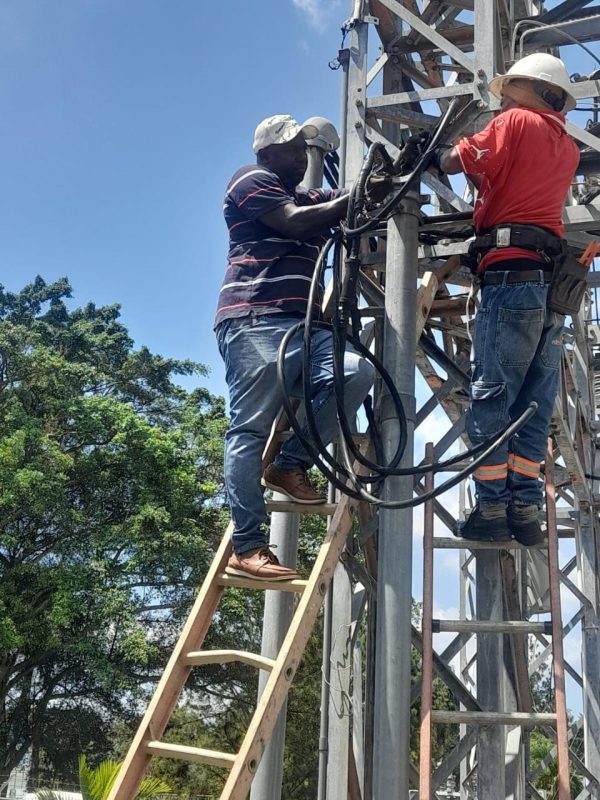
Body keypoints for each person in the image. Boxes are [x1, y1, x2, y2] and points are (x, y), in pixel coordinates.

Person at [215, 114, 376, 580]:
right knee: (249, 431)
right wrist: (350, 200)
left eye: (303, 149)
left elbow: (344, 201)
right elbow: (292, 223)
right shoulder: (250, 180)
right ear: (265, 154)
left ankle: (289, 466)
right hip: (255, 321)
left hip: (303, 326)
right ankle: (247, 546)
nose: (300, 156)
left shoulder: (307, 199)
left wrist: (377, 185)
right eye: (289, 149)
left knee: (355, 373)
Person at [436, 53, 580, 544]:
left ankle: (493, 508)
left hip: (510, 278)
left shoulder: (515, 121)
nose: (503, 101)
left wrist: (442, 151)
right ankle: (524, 509)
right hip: (550, 288)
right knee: (534, 404)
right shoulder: (566, 146)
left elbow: (455, 160)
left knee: (493, 396)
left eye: (510, 91)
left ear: (531, 91)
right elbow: (513, 181)